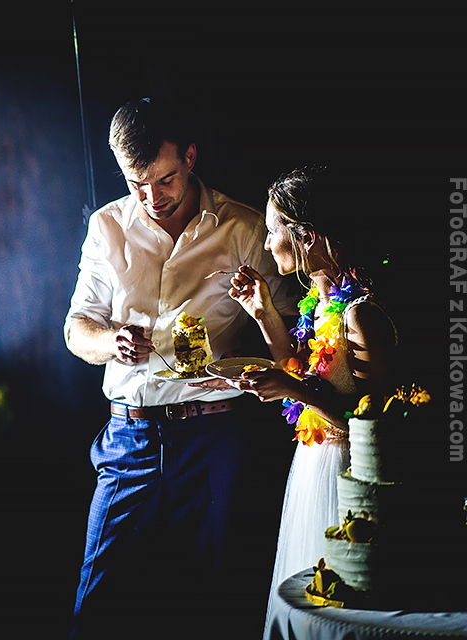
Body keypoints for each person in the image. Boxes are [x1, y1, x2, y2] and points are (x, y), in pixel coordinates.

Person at [64, 97, 298, 638]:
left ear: (190, 157)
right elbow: (77, 329)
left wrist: (258, 326)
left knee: (217, 595)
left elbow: (293, 330)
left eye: (164, 179)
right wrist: (111, 341)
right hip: (129, 439)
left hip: (215, 435)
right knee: (97, 600)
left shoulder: (243, 228)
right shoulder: (106, 226)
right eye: (136, 184)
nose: (152, 198)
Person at [223, 166, 397, 638]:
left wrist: (290, 389)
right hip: (312, 464)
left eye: (272, 231)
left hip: (350, 479)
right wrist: (263, 313)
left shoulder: (360, 315)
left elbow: (374, 424)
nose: (265, 245)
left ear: (307, 237)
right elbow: (303, 373)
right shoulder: (319, 307)